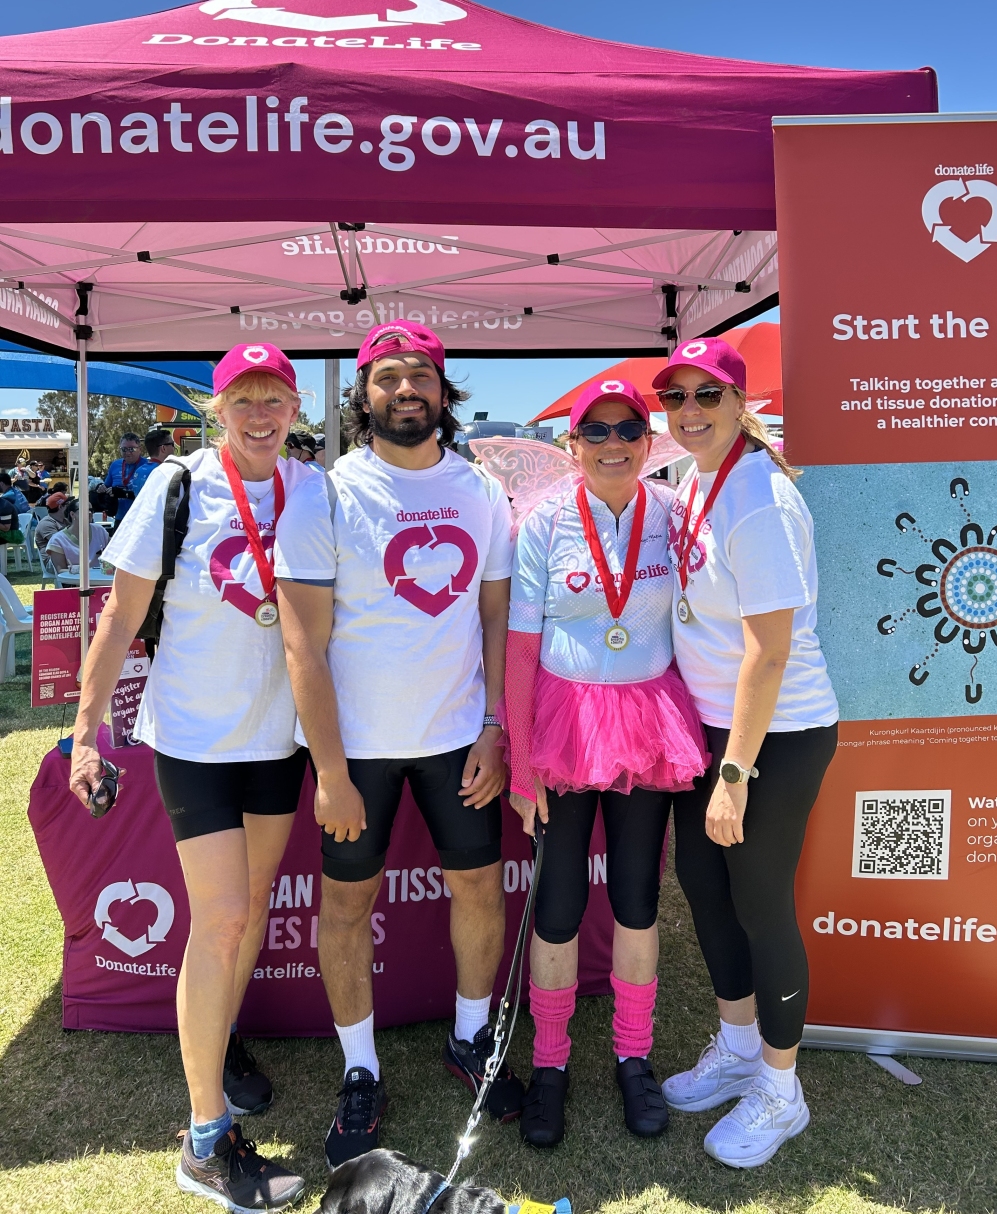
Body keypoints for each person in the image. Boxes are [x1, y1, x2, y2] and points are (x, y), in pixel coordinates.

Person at [68, 343, 317, 1213]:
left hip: (278, 742)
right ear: (218, 409)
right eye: (242, 398)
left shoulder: (311, 488)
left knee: (243, 916)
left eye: (274, 398)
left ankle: (220, 1043)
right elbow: (122, 610)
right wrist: (85, 728)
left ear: (293, 408)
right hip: (196, 741)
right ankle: (205, 1139)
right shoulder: (176, 487)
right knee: (220, 922)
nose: (259, 413)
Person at [274, 320, 523, 1168]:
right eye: (387, 377)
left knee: (480, 890)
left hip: (460, 738)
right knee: (346, 907)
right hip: (359, 752)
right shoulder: (324, 492)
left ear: (443, 391)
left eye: (419, 374)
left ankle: (468, 1037)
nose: (404, 389)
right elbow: (302, 645)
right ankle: (360, 1069)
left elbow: (494, 613)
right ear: (363, 394)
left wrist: (496, 726)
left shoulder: (481, 490)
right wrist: (332, 770)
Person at [504, 379, 707, 1149]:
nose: (614, 443)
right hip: (563, 725)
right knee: (556, 905)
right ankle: (550, 1064)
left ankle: (633, 1055)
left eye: (629, 429)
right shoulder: (544, 523)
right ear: (573, 443)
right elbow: (521, 649)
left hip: (649, 723)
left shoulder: (677, 517)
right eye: (597, 430)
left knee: (635, 899)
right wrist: (523, 768)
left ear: (649, 443)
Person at [654, 338, 839, 1168]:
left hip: (775, 734)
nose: (689, 411)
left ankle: (780, 1086)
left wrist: (734, 773)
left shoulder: (758, 494)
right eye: (677, 397)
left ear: (739, 402)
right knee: (703, 884)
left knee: (760, 900)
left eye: (707, 395)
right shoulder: (694, 482)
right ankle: (735, 1046)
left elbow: (768, 652)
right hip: (707, 727)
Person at [44, 499, 109, 573]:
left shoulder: (100, 531)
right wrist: (77, 570)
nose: (89, 512)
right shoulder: (58, 540)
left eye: (91, 510)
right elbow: (60, 570)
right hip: (74, 582)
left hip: (100, 579)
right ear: (72, 514)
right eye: (84, 509)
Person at [102, 432, 150, 523]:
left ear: (140, 449)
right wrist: (100, 489)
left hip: (141, 520)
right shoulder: (115, 465)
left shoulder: (148, 466)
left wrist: (125, 494)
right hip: (119, 519)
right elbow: (106, 487)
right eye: (124, 449)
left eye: (131, 449)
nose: (127, 453)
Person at [129, 428, 176, 495]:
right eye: (172, 444)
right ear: (163, 448)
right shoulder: (164, 472)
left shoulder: (139, 471)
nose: (173, 448)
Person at [34, 492, 68, 557]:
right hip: (54, 562)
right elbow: (61, 544)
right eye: (67, 504)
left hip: (68, 557)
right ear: (60, 507)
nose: (70, 507)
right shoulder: (46, 524)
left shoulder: (65, 521)